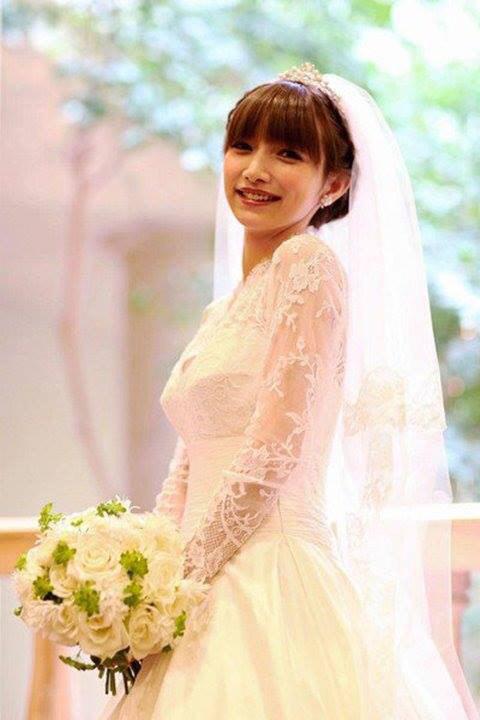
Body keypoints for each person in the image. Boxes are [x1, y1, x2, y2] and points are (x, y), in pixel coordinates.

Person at [99, 63, 479, 719]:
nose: (255, 170)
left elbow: (273, 452)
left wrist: (180, 584)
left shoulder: (308, 265)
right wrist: (146, 580)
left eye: (288, 154)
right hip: (199, 578)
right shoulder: (224, 309)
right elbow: (190, 460)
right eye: (243, 146)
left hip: (269, 573)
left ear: (334, 183)